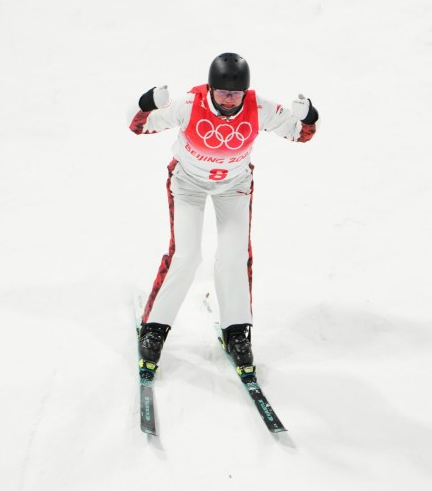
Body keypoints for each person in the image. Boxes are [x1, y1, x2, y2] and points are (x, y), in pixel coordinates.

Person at [128, 53, 319, 368]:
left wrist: (309, 115)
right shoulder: (189, 105)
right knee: (186, 256)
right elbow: (139, 125)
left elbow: (301, 133)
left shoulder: (259, 108)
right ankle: (155, 328)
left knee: (233, 256)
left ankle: (236, 330)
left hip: (234, 187)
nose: (229, 100)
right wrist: (147, 101)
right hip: (188, 185)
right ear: (210, 88)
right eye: (222, 93)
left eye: (235, 93)